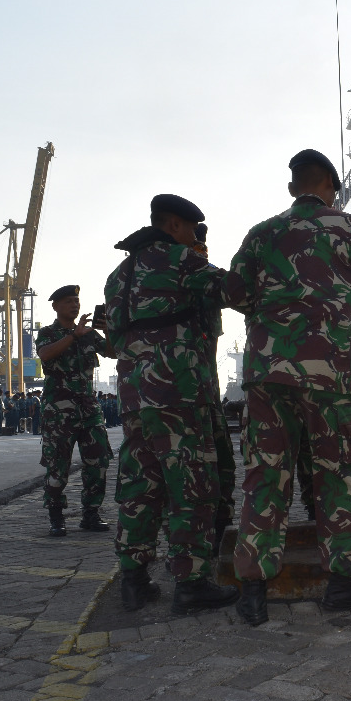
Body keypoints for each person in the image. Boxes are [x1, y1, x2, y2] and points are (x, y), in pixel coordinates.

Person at [223, 148, 351, 626]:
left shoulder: (261, 233)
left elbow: (233, 293)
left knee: (265, 476)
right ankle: (343, 584)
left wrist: (278, 307)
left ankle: (252, 592)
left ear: (292, 188)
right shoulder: (349, 227)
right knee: (338, 474)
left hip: (268, 374)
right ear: (331, 189)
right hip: (328, 375)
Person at [104, 194, 238, 615]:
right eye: (191, 231)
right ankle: (191, 583)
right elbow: (232, 288)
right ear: (177, 226)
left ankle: (133, 581)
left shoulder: (118, 275)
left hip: (134, 398)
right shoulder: (179, 259)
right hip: (177, 393)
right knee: (191, 486)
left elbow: (113, 338)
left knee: (141, 487)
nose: (193, 239)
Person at [35, 285, 116, 538]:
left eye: (77, 301)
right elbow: (45, 354)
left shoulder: (90, 334)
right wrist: (73, 336)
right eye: (69, 301)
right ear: (56, 307)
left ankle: (91, 513)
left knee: (98, 462)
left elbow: (113, 352)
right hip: (59, 411)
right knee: (58, 465)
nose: (75, 305)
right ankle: (56, 517)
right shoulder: (48, 333)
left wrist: (108, 331)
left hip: (89, 409)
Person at [190, 222, 237, 557]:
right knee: (187, 473)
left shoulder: (207, 278)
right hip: (184, 396)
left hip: (207, 391)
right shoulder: (179, 275)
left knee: (222, 465)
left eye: (203, 248)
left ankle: (219, 536)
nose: (201, 253)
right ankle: (190, 548)